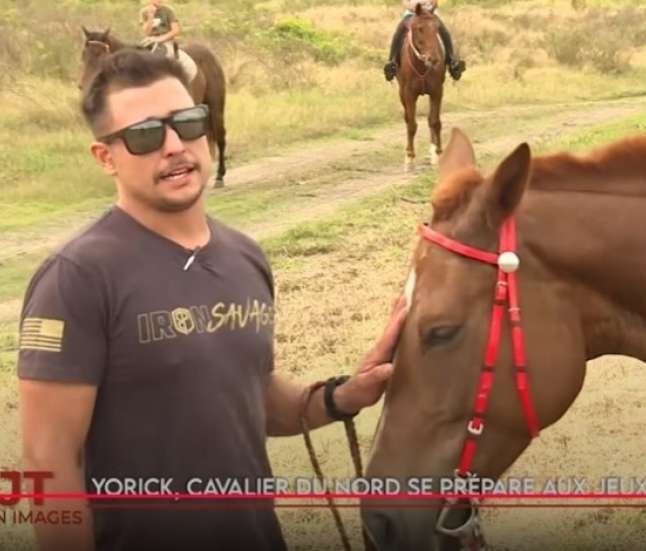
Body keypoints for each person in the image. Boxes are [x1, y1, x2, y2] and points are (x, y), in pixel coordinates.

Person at [17, 49, 406, 551]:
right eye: (145, 135)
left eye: (188, 123)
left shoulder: (244, 257)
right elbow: (50, 461)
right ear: (105, 157)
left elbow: (251, 396)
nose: (174, 146)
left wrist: (344, 395)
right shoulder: (76, 279)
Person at [383, 0, 465, 82]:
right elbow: (404, 1)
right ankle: (392, 62)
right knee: (399, 31)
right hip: (412, 14)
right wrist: (413, 8)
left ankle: (451, 60)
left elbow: (435, 2)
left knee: (444, 31)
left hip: (429, 13)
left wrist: (429, 7)